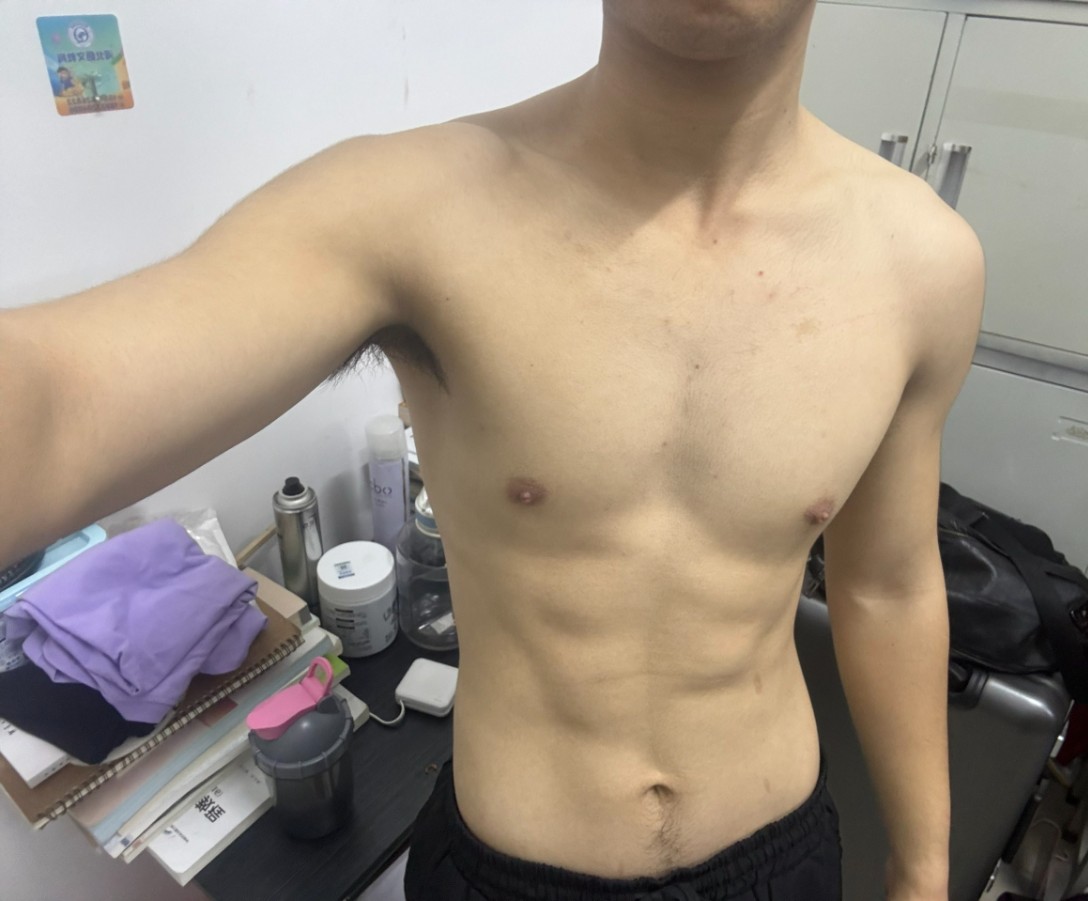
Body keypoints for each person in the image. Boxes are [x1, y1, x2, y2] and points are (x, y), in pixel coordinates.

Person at [0, 2, 983, 898]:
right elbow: (57, 407)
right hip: (511, 873)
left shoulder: (923, 262)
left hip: (781, 860)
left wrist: (923, 869)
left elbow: (888, 585)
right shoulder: (408, 209)